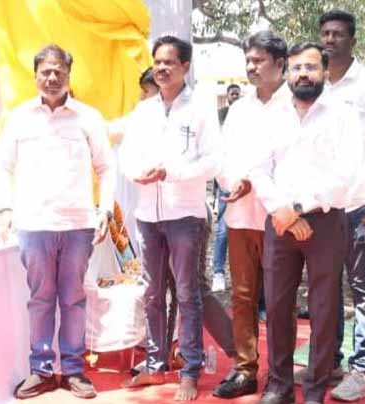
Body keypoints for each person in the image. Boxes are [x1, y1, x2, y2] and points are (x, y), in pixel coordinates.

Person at [0, 44, 115, 400]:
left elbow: (107, 167)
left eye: (58, 71)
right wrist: (5, 208)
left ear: (68, 75)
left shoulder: (88, 118)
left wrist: (105, 210)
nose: (51, 77)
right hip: (34, 225)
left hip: (78, 225)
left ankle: (74, 370)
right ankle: (42, 369)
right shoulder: (20, 118)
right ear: (35, 76)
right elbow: (1, 165)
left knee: (74, 299)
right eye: (45, 71)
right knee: (41, 299)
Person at [248, 42, 362, 404]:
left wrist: (296, 208)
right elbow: (258, 169)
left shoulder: (344, 114)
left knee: (324, 310)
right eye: (296, 68)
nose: (303, 74)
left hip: (325, 223)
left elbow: (347, 174)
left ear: (325, 71)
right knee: (277, 306)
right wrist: (281, 210)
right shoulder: (273, 115)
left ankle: (315, 389)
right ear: (287, 72)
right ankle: (279, 386)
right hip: (280, 223)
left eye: (311, 67)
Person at [118, 35, 220, 402]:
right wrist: (137, 173)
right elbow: (126, 156)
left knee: (188, 293)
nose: (162, 68)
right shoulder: (144, 111)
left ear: (185, 67)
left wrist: (172, 172)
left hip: (184, 214)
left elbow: (213, 161)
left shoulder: (201, 108)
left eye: (169, 62)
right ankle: (155, 363)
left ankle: (190, 370)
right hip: (148, 214)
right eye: (158, 62)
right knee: (151, 292)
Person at [303, 10, 365, 401]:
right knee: (326, 288)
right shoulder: (314, 85)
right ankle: (330, 363)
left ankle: (362, 369)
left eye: (338, 34)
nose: (329, 39)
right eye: (325, 33)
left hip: (359, 205)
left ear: (353, 40)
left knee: (362, 288)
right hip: (323, 207)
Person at [211, 30, 290, 399]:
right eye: (248, 60)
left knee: (278, 300)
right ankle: (245, 369)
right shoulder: (240, 108)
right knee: (242, 297)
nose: (251, 66)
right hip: (240, 215)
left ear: (280, 63)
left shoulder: (295, 105)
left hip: (280, 217)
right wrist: (234, 182)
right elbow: (222, 157)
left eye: (259, 60)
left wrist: (259, 186)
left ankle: (280, 374)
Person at [211, 83, 243, 292]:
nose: (235, 96)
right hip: (226, 181)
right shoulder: (220, 116)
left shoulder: (248, 115)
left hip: (247, 182)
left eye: (237, 93)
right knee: (223, 230)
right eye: (232, 93)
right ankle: (218, 273)